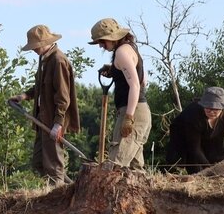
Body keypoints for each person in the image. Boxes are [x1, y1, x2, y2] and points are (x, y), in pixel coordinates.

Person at [11, 25, 80, 185]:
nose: (34, 50)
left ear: (44, 43)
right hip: (43, 118)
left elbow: (63, 97)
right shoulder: (44, 58)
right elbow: (40, 86)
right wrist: (24, 96)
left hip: (53, 120)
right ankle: (65, 188)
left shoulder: (58, 60)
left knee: (53, 165)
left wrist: (58, 123)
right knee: (39, 162)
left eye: (35, 46)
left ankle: (59, 192)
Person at [90, 18, 151, 169]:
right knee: (134, 169)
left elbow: (135, 85)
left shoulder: (122, 52)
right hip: (140, 111)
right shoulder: (130, 48)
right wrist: (115, 70)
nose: (101, 46)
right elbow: (143, 80)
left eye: (102, 42)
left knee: (115, 166)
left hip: (133, 113)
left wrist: (129, 117)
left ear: (111, 38)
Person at [166, 86, 224, 173]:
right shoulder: (193, 114)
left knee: (217, 156)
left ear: (222, 108)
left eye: (215, 109)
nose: (211, 112)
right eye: (208, 108)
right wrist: (209, 169)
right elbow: (195, 148)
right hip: (183, 133)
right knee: (194, 164)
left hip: (212, 134)